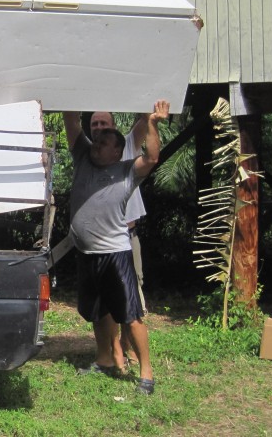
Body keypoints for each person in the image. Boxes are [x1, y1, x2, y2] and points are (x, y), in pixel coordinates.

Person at [64, 99, 169, 396]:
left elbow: (151, 158)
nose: (95, 145)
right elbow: (71, 120)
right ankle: (105, 359)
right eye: (95, 140)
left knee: (131, 315)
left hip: (115, 254)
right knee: (97, 312)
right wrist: (74, 89)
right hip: (87, 254)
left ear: (116, 151)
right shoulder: (83, 158)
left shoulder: (126, 172)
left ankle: (146, 374)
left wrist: (151, 123)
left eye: (102, 143)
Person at [90, 111, 148, 367]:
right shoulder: (89, 155)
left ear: (113, 127)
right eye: (94, 124)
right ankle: (112, 352)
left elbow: (144, 123)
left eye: (103, 123)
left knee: (130, 298)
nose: (99, 127)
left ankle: (131, 349)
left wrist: (151, 112)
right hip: (99, 242)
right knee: (104, 303)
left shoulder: (125, 146)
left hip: (126, 237)